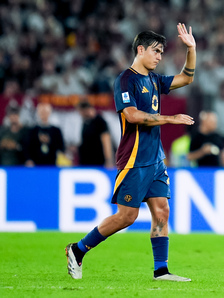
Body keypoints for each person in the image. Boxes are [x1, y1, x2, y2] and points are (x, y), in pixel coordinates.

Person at [66, 24, 196, 282]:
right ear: (140, 49)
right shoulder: (126, 80)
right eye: (156, 51)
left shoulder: (155, 80)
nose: (160, 57)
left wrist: (191, 49)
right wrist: (169, 119)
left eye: (162, 52)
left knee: (162, 211)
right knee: (127, 216)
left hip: (156, 159)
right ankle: (78, 249)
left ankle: (161, 270)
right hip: (134, 158)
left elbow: (187, 77)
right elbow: (132, 115)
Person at [25, 102, 65, 166]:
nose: (43, 114)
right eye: (41, 112)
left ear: (49, 113)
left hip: (52, 163)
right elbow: (28, 147)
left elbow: (61, 147)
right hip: (36, 164)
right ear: (38, 113)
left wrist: (50, 141)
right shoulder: (32, 130)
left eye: (45, 112)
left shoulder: (56, 131)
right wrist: (29, 159)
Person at [77, 100, 114, 168]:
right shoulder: (86, 123)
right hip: (87, 162)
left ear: (85, 110)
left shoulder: (100, 122)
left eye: (80, 111)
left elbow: (106, 141)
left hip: (97, 162)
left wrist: (109, 160)